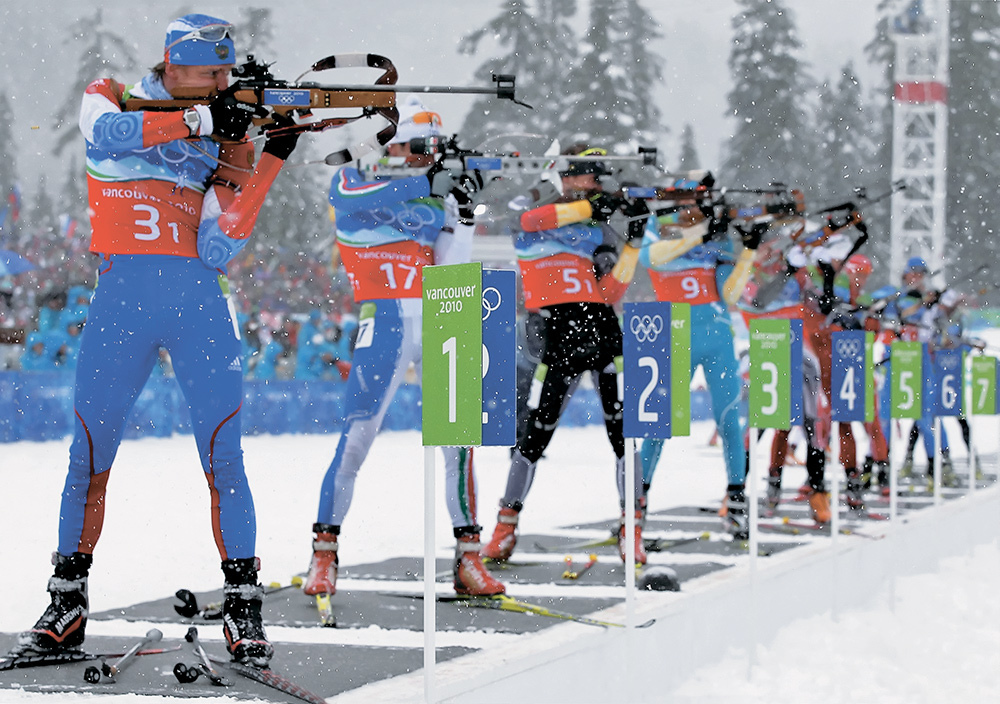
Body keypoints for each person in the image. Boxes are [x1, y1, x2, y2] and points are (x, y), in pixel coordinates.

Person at [11, 14, 300, 667]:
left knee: (225, 458)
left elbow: (221, 243)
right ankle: (67, 603)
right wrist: (199, 121)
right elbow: (103, 131)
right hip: (121, 305)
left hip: (196, 302)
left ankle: (244, 608)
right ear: (174, 64)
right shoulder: (112, 93)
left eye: (229, 74)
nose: (222, 83)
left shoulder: (225, 131)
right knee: (86, 458)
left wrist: (267, 152)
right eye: (210, 72)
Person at [304, 97, 506, 598]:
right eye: (418, 147)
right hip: (387, 314)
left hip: (444, 309)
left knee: (459, 445)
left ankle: (468, 558)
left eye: (432, 149)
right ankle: (323, 553)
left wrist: (462, 210)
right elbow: (345, 194)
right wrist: (426, 183)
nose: (425, 157)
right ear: (391, 144)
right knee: (357, 439)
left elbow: (450, 262)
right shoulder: (358, 177)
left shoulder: (431, 195)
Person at [482, 145, 651, 564]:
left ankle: (632, 528)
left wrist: (632, 245)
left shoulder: (597, 231)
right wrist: (586, 203)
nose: (596, 186)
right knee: (535, 436)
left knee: (624, 435)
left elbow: (610, 292)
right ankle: (505, 526)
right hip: (559, 334)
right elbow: (522, 217)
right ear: (567, 177)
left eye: (599, 181)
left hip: (603, 331)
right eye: (589, 177)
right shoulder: (536, 213)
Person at [636, 186, 761, 539]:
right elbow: (651, 259)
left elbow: (731, 294)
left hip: (717, 336)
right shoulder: (656, 223)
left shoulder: (716, 232)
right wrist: (697, 232)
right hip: (674, 333)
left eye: (698, 201)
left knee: (729, 423)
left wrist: (748, 251)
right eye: (687, 200)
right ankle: (637, 509)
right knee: (657, 428)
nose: (693, 206)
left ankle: (736, 502)